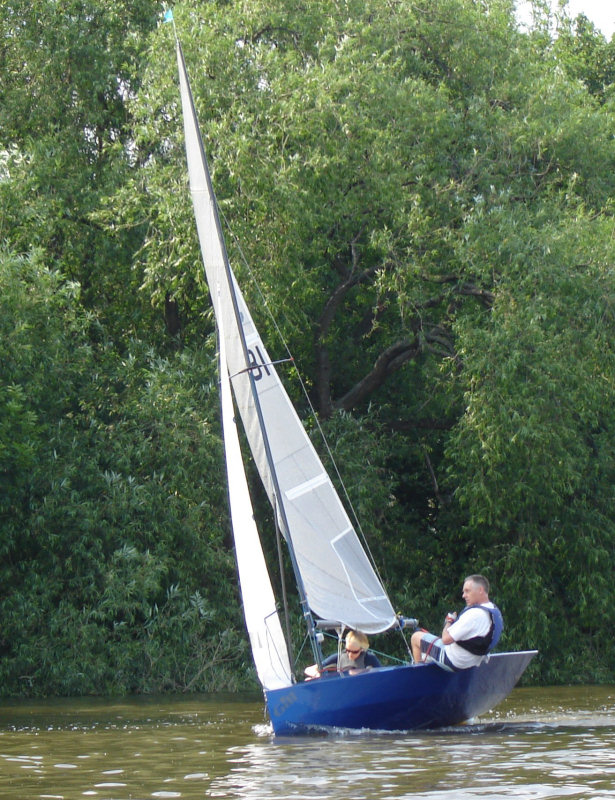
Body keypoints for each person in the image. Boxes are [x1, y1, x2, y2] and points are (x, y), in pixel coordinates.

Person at [410, 574, 503, 671]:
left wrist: (448, 622)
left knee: (416, 637)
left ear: (480, 590)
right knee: (428, 639)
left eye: (467, 591)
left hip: (455, 661)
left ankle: (419, 676)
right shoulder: (493, 610)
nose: (463, 595)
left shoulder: (474, 614)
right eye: (463, 592)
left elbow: (445, 640)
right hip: (475, 660)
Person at [304, 630, 382, 679]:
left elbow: (382, 676)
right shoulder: (339, 656)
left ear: (362, 649)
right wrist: (316, 674)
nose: (350, 654)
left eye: (354, 652)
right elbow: (308, 669)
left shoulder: (370, 658)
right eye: (348, 650)